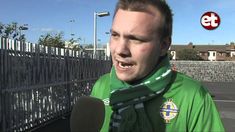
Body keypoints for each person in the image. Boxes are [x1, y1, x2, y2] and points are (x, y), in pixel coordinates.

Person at [91, 0, 225, 131]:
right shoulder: (101, 86)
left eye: (136, 39)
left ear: (163, 46)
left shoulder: (193, 96)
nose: (120, 50)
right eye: (115, 35)